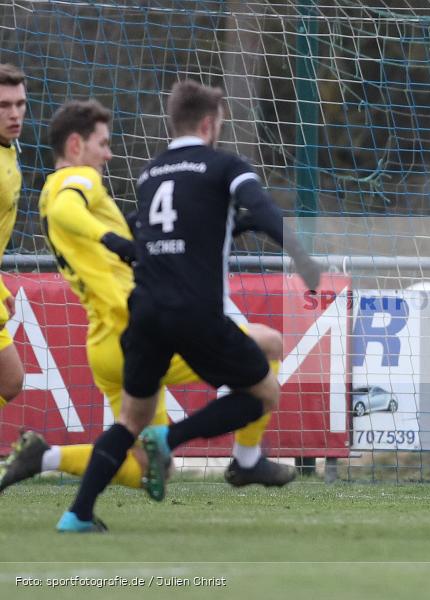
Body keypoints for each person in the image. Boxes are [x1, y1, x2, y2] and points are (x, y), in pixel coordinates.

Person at [56, 81, 320, 532]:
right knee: (263, 393)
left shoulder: (150, 174)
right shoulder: (224, 166)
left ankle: (77, 513)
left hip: (145, 314)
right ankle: (186, 443)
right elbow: (262, 206)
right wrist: (302, 257)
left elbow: (151, 232)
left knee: (130, 419)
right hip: (195, 314)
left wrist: (227, 226)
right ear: (208, 123)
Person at [0, 98, 294, 501]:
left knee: (147, 468)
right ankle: (246, 459)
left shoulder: (50, 189)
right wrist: (112, 239)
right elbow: (74, 210)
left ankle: (43, 458)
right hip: (136, 330)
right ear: (75, 146)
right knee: (270, 344)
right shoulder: (78, 181)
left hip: (104, 341)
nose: (108, 153)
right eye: (102, 143)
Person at [0, 64, 27, 410]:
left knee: (11, 380)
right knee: (10, 378)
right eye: (4, 105)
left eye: (19, 103)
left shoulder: (9, 149)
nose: (14, 113)